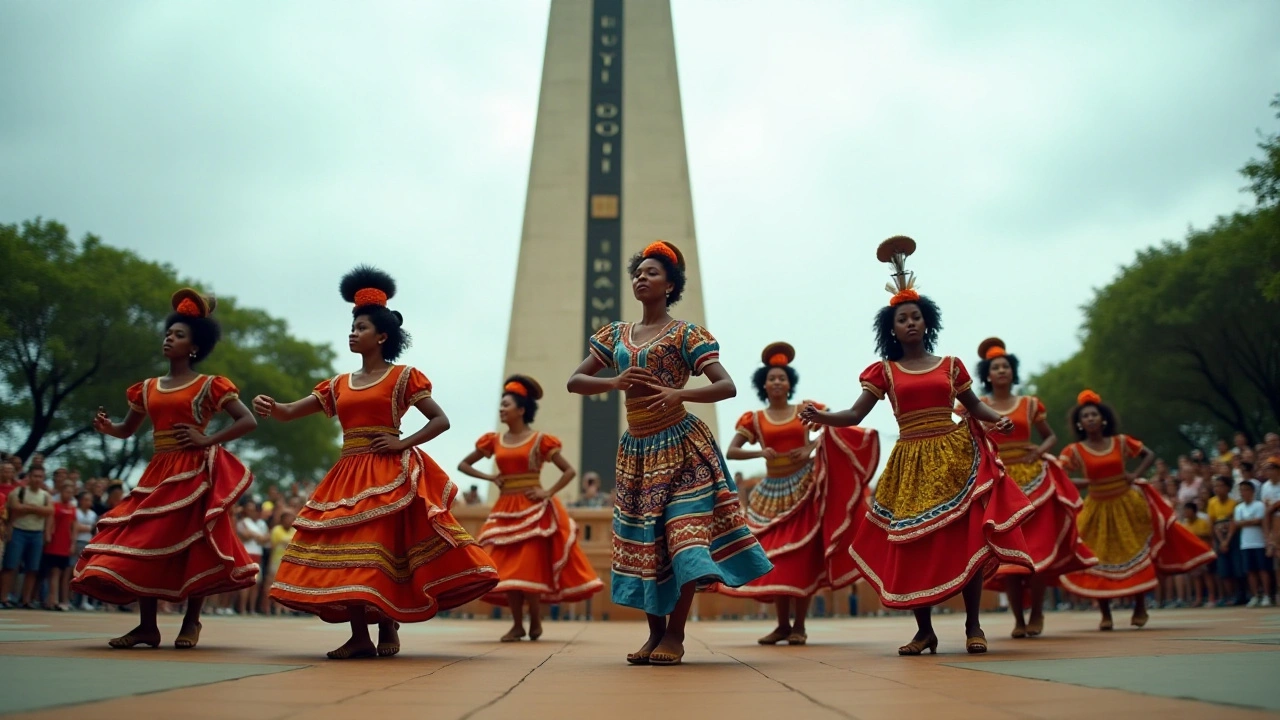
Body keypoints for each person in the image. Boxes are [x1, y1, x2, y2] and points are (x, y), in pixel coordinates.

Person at [802, 236, 1033, 656]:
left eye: (915, 317)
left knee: (967, 540)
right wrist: (823, 418)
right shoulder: (884, 371)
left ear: (927, 322)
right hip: (909, 460)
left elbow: (975, 405)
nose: (909, 323)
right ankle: (924, 630)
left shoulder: (951, 366)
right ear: (890, 329)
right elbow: (854, 416)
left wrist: (996, 419)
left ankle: (973, 626)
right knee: (913, 543)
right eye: (901, 319)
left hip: (954, 455)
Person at [256, 266, 498, 659]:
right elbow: (288, 412)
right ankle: (360, 635)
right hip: (348, 474)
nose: (353, 333)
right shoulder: (338, 384)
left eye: (361, 327)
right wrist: (272, 407)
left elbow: (440, 420)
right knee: (353, 553)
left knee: (381, 552)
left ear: (381, 336)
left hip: (389, 472)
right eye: (352, 327)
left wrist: (402, 442)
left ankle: (387, 625)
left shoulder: (403, 377)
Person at [567, 240, 771, 666]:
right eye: (638, 272)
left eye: (652, 272)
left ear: (670, 284)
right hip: (638, 451)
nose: (642, 277)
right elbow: (575, 381)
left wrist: (681, 392)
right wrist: (614, 381)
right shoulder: (615, 334)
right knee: (648, 541)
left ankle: (675, 634)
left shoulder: (686, 334)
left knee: (684, 536)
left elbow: (726, 385)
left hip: (684, 445)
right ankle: (654, 634)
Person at [72, 290, 259, 647]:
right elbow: (129, 429)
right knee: (146, 540)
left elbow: (247, 420)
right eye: (168, 333)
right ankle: (147, 626)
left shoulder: (209, 384)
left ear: (194, 346)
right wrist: (110, 428)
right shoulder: (147, 388)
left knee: (195, 543)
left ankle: (192, 622)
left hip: (195, 473)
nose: (169, 338)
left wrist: (206, 440)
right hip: (158, 472)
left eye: (179, 335)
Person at [721, 342, 880, 646]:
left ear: (790, 383)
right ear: (763, 384)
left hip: (805, 488)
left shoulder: (805, 410)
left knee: (801, 556)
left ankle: (800, 625)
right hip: (770, 492)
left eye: (782, 378)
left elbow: (837, 428)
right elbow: (731, 450)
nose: (777, 382)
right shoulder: (754, 419)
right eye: (772, 378)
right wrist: (760, 453)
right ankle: (782, 625)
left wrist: (810, 448)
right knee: (775, 557)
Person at [962, 338, 1097, 639]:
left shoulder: (1030, 404)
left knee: (1035, 551)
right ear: (987, 373)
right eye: (996, 367)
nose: (1001, 371)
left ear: (1013, 372)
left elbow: (1049, 437)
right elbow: (969, 437)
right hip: (997, 478)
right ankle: (1018, 619)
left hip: (1034, 481)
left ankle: (1037, 612)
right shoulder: (978, 405)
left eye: (1006, 367)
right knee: (1006, 551)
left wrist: (1039, 451)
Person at [458, 375, 604, 642]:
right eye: (501, 405)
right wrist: (491, 478)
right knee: (506, 569)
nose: (502, 409)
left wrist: (547, 492)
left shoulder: (540, 440)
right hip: (505, 508)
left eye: (506, 405)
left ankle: (534, 620)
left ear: (521, 410)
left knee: (527, 568)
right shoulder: (494, 441)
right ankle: (517, 624)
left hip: (533, 508)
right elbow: (463, 465)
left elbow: (569, 471)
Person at [1058, 391, 1215, 628]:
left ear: (1103, 419)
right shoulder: (1075, 450)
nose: (1090, 418)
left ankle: (1140, 606)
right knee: (1099, 558)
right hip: (1096, 508)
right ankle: (1105, 614)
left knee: (1135, 552)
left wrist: (1135, 475)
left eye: (1094, 414)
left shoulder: (1121, 442)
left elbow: (1149, 454)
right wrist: (1087, 483)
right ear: (1079, 423)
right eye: (1085, 416)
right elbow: (1060, 474)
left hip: (1127, 503)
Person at [1, 468, 53, 608]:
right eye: (35, 476)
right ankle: (4, 598)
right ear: (29, 477)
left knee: (32, 568)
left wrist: (28, 508)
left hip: (36, 533)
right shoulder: (19, 491)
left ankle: (26, 600)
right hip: (18, 531)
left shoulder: (45, 495)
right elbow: (15, 507)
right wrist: (38, 509)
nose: (38, 479)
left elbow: (49, 510)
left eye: (40, 477)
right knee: (10, 566)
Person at [1230, 480, 1271, 606]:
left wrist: (1245, 522)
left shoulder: (1259, 505)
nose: (1243, 493)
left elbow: (1258, 521)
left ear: (1252, 491)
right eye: (1241, 490)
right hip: (1245, 544)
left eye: (1246, 490)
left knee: (1263, 570)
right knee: (1250, 571)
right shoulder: (1238, 508)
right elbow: (1237, 523)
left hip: (1259, 542)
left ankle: (1267, 596)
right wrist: (1250, 521)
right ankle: (1255, 596)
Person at [40, 483, 77, 611]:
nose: (69, 495)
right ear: (61, 492)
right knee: (52, 571)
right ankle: (51, 599)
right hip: (54, 541)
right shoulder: (54, 506)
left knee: (59, 572)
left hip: (65, 543)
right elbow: (50, 522)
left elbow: (73, 527)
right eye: (67, 492)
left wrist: (72, 543)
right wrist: (48, 535)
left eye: (71, 493)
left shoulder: (72, 509)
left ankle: (53, 599)